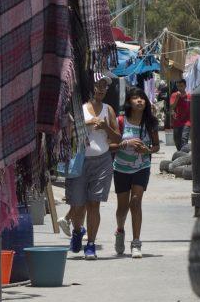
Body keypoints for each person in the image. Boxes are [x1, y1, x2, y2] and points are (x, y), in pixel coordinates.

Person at [66, 77, 121, 259]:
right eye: (98, 85)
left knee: (94, 204)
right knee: (78, 204)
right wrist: (88, 123)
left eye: (104, 86)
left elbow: (117, 138)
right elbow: (68, 132)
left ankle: (91, 245)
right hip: (79, 161)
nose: (101, 89)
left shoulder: (108, 109)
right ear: (91, 87)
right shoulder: (79, 108)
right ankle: (77, 231)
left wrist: (106, 127)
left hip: (102, 161)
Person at [112, 88, 160, 258]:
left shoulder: (150, 123)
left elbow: (156, 146)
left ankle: (136, 242)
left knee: (135, 202)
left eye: (142, 98)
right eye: (135, 98)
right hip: (121, 168)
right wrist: (126, 144)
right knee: (122, 208)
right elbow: (111, 145)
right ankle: (120, 230)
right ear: (129, 102)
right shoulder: (120, 121)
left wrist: (147, 150)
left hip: (142, 167)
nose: (139, 100)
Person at [169, 79, 192, 150]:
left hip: (187, 122)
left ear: (185, 86)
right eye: (178, 86)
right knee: (177, 140)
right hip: (177, 121)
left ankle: (183, 154)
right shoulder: (174, 95)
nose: (179, 88)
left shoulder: (189, 96)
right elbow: (172, 107)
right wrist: (177, 98)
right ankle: (180, 153)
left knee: (184, 139)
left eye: (181, 86)